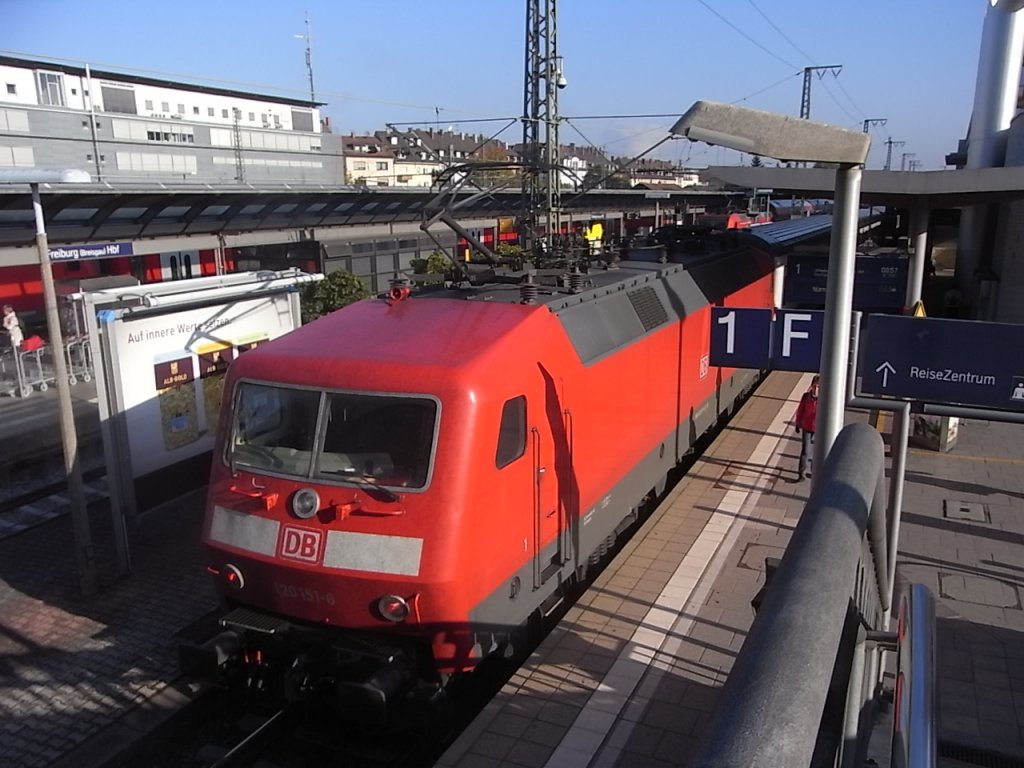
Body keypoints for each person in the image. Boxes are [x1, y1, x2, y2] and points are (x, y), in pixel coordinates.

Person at [794, 375, 819, 480]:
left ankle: (815, 472)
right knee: (805, 451)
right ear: (812, 385)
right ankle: (801, 473)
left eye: (819, 387)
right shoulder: (806, 397)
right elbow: (800, 410)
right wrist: (798, 423)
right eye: (815, 386)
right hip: (807, 427)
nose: (816, 389)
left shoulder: (825, 399)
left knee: (817, 451)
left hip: (819, 428)